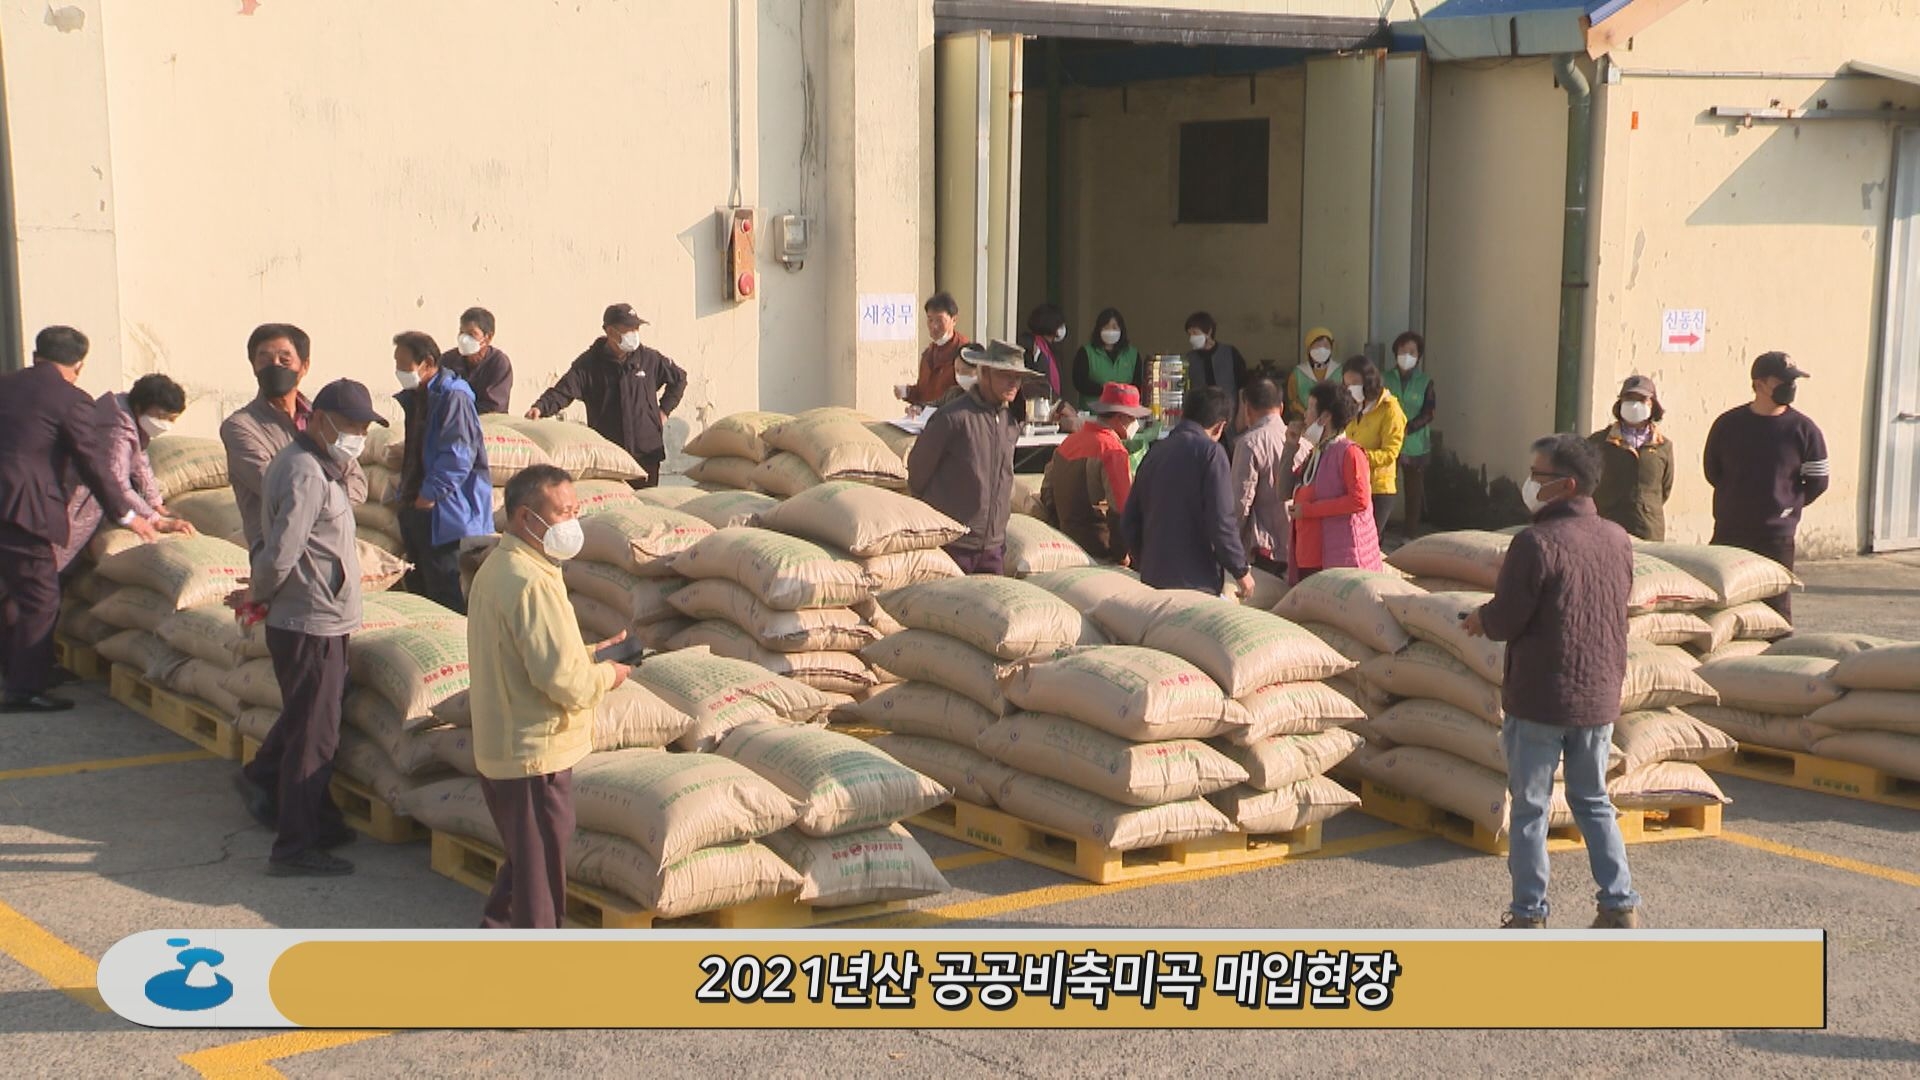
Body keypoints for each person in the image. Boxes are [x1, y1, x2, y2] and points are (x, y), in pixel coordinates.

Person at [1464, 434, 1640, 930]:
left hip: (1542, 696)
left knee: (1531, 809)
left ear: (1564, 485)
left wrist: (1481, 619)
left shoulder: (1534, 542)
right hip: (1599, 696)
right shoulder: (1618, 537)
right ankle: (1618, 902)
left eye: (1537, 476)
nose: (1528, 484)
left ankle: (1528, 914)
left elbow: (1508, 618)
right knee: (1593, 800)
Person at [233, 379, 387, 877]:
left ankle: (310, 814)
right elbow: (281, 552)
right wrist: (257, 594)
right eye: (350, 427)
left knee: (313, 723)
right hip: (310, 621)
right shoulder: (303, 472)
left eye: (364, 428)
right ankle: (294, 846)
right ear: (319, 420)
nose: (358, 437)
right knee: (313, 738)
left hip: (324, 616)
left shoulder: (324, 465)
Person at [467, 464, 630, 928]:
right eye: (561, 513)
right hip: (533, 757)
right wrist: (608, 676)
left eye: (576, 510)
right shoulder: (530, 581)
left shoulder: (504, 565)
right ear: (524, 518)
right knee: (540, 887)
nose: (572, 523)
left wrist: (589, 653)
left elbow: (531, 651)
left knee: (527, 866)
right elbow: (565, 682)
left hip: (510, 748)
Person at [0, 327, 156, 712]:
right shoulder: (69, 399)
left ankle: (21, 669)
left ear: (36, 354)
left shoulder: (6, 384)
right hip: (24, 506)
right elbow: (95, 463)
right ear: (79, 365)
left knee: (12, 590)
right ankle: (24, 689)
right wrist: (127, 514)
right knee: (40, 595)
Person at [221, 323, 368, 553]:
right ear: (253, 366)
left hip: (333, 547)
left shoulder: (321, 418)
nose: (275, 366)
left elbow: (357, 480)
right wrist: (334, 502)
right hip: (279, 553)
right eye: (265, 359)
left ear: (304, 366)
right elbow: (280, 491)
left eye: (284, 360)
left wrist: (322, 504)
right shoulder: (241, 427)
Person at [1703, 352, 1827, 622]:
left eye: (1793, 381)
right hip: (1729, 532)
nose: (1790, 387)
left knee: (1776, 611)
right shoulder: (1728, 425)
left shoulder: (1804, 430)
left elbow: (1818, 481)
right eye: (1782, 381)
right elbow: (1713, 472)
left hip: (1776, 538)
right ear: (1759, 385)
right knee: (1722, 605)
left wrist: (1786, 503)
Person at [907, 340, 1037, 574]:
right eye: (1005, 375)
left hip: (993, 548)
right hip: (953, 545)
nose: (1013, 383)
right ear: (984, 373)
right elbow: (917, 474)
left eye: (1017, 377)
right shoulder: (953, 417)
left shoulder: (1009, 423)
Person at [527, 303, 687, 489]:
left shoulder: (649, 359)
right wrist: (540, 407)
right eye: (628, 329)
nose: (634, 334)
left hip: (646, 454)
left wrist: (663, 411)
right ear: (610, 332)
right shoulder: (589, 365)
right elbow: (563, 391)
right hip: (609, 457)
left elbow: (679, 379)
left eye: (636, 328)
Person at [394, 331, 493, 613]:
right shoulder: (418, 397)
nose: (399, 371)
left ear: (426, 362)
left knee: (444, 591)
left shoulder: (453, 397)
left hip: (444, 511)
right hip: (417, 504)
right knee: (420, 589)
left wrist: (430, 494)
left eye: (403, 364)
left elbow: (458, 455)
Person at [1120, 386, 1253, 597]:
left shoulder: (1155, 453)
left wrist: (1147, 561)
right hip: (1196, 583)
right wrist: (1240, 570)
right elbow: (1221, 521)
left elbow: (1129, 521)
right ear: (1220, 427)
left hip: (1153, 581)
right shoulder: (1211, 453)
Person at [56, 373, 197, 573]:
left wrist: (156, 502)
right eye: (160, 416)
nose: (165, 424)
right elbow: (117, 483)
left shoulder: (129, 419)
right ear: (140, 407)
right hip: (76, 499)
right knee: (52, 566)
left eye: (171, 419)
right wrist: (154, 520)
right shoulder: (117, 430)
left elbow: (140, 462)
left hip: (85, 496)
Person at [1037, 382, 1148, 563]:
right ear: (1120, 418)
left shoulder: (1068, 443)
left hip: (1067, 544)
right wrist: (1123, 557)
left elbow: (1047, 494)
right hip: (1100, 550)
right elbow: (1122, 512)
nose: (1136, 424)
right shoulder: (1112, 451)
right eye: (1133, 418)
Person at [1287, 381, 1382, 583]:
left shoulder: (1350, 453)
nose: (1305, 415)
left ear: (1325, 417)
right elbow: (1285, 490)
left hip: (1337, 556)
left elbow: (1359, 500)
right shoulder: (1317, 450)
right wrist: (1290, 446)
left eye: (1310, 408)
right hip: (1309, 555)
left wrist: (1309, 510)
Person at [1589, 375, 1674, 542]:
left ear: (1652, 404)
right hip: (1607, 530)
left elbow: (1664, 489)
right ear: (1620, 403)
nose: (1635, 404)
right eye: (1629, 398)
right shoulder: (1599, 442)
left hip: (1649, 531)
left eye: (1642, 399)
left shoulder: (1663, 446)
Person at [1232, 378, 1297, 578]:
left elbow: (1240, 502)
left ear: (1247, 409)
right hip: (1296, 543)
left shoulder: (1249, 443)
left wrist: (1227, 545)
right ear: (1282, 407)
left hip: (1264, 549)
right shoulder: (1304, 442)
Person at [1343, 355, 1407, 539]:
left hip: (1378, 489)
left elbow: (1390, 453)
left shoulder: (1390, 410)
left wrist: (1357, 456)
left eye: (1355, 383)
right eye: (1347, 384)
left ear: (1368, 381)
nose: (1351, 389)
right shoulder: (1353, 407)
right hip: (1353, 485)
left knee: (1368, 541)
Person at [1385, 331, 1438, 535]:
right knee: (1384, 486)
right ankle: (1378, 530)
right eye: (1402, 350)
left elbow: (1429, 411)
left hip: (1415, 443)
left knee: (1413, 491)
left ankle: (1410, 533)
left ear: (1418, 355)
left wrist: (1409, 427)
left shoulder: (1425, 382)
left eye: (1411, 351)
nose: (1406, 355)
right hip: (1388, 440)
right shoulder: (1384, 378)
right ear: (1395, 352)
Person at [1070, 308, 1147, 413]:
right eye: (1106, 327)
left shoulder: (1132, 354)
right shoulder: (1086, 352)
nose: (1110, 331)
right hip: (1092, 413)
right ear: (1099, 329)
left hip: (1124, 414)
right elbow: (1080, 382)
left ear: (1121, 330)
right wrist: (1105, 391)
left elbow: (1138, 384)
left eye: (1114, 327)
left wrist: (1121, 394)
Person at [900, 292, 968, 411]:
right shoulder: (928, 354)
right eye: (930, 320)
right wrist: (908, 392)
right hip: (926, 422)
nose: (934, 326)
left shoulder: (964, 353)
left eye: (939, 320)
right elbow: (923, 393)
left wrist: (924, 408)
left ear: (954, 320)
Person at [442, 306, 513, 416]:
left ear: (488, 337)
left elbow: (494, 408)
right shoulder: (447, 360)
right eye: (461, 332)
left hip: (489, 426)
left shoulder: (499, 363)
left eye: (471, 334)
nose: (464, 339)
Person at [1183, 312, 1249, 421]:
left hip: (1230, 418)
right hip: (1202, 419)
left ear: (1208, 331)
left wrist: (1241, 416)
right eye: (1189, 334)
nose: (1192, 338)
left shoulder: (1230, 353)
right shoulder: (1189, 359)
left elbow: (1242, 387)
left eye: (1195, 333)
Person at [1286, 327, 1339, 423]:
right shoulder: (1298, 373)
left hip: (1333, 423)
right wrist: (1306, 413)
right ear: (1309, 348)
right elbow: (1292, 401)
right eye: (1317, 346)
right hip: (1305, 424)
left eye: (1326, 346)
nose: (1322, 350)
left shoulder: (1340, 371)